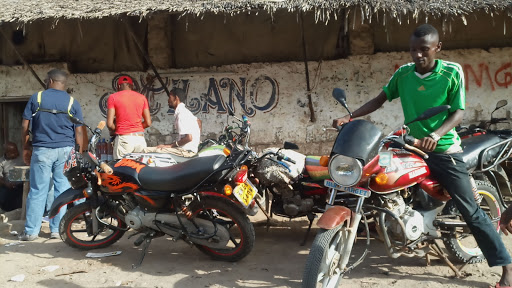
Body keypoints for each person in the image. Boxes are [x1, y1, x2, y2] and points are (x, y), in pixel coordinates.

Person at [332, 24, 512, 288]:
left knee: (471, 212)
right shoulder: (403, 74)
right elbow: (380, 100)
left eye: (424, 50)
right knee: (375, 178)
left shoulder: (452, 72)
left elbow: (458, 112)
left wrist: (437, 135)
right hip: (411, 144)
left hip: (443, 150)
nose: (417, 55)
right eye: (413, 50)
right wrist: (351, 116)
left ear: (437, 48)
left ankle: (506, 268)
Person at [20, 68, 85, 241]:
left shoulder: (37, 98)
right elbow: (79, 132)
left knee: (37, 190)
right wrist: (78, 153)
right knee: (61, 190)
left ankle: (31, 232)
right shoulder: (72, 102)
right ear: (64, 83)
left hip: (42, 150)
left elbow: (25, 126)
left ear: (49, 81)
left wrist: (26, 147)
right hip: (65, 150)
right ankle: (56, 230)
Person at [143, 88, 201, 157]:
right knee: (156, 148)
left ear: (176, 98)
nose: (168, 100)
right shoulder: (184, 112)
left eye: (170, 97)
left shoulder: (182, 114)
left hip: (186, 151)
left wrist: (170, 146)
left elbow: (189, 138)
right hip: (186, 150)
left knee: (147, 151)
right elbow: (199, 122)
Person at [107, 76, 152, 160]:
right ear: (131, 86)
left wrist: (119, 129)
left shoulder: (113, 97)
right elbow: (148, 123)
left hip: (124, 139)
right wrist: (135, 128)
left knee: (122, 170)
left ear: (119, 86)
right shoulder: (142, 98)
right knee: (140, 169)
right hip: (140, 139)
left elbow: (109, 124)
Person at [0, 142, 24, 212]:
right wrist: (6, 183)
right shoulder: (1, 162)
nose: (16, 153)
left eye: (16, 151)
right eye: (13, 153)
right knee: (4, 197)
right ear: (7, 153)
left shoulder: (23, 157)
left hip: (23, 184)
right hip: (9, 186)